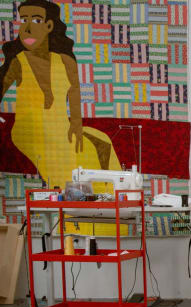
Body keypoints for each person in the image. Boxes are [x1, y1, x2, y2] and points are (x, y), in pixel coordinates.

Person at [0, 0, 121, 191]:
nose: (28, 28)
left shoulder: (65, 61)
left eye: (36, 20)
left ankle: (110, 202)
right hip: (30, 130)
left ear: (49, 25)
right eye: (24, 20)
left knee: (102, 141)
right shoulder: (19, 62)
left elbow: (74, 89)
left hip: (60, 125)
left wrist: (76, 122)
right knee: (73, 154)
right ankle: (80, 208)